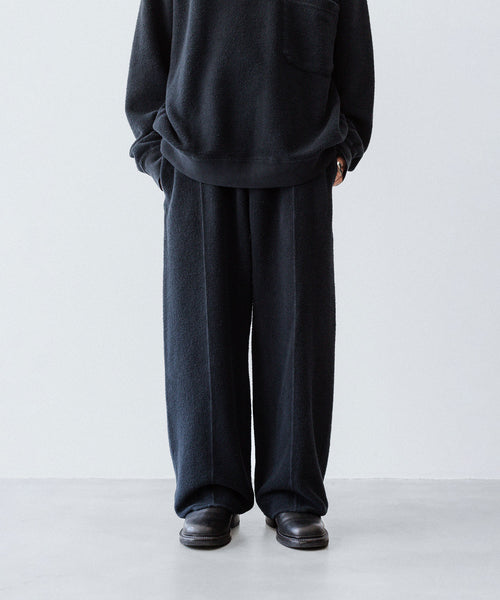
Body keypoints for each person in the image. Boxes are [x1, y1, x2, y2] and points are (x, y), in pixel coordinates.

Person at [125, 0, 374, 550]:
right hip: (194, 159)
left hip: (301, 160)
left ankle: (294, 496)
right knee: (200, 338)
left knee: (300, 337)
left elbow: (354, 49)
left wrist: (346, 145)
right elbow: (151, 50)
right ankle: (209, 492)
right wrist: (156, 155)